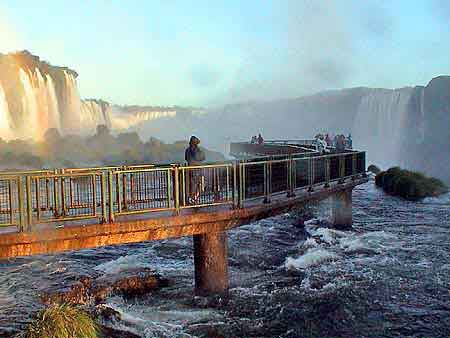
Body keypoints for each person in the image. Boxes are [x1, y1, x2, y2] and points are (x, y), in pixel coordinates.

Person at [185, 136, 205, 203]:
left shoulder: (187, 150)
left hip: (190, 169)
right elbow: (202, 157)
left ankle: (192, 197)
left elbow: (186, 158)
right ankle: (194, 198)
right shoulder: (196, 150)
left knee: (192, 184)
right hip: (196, 169)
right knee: (198, 184)